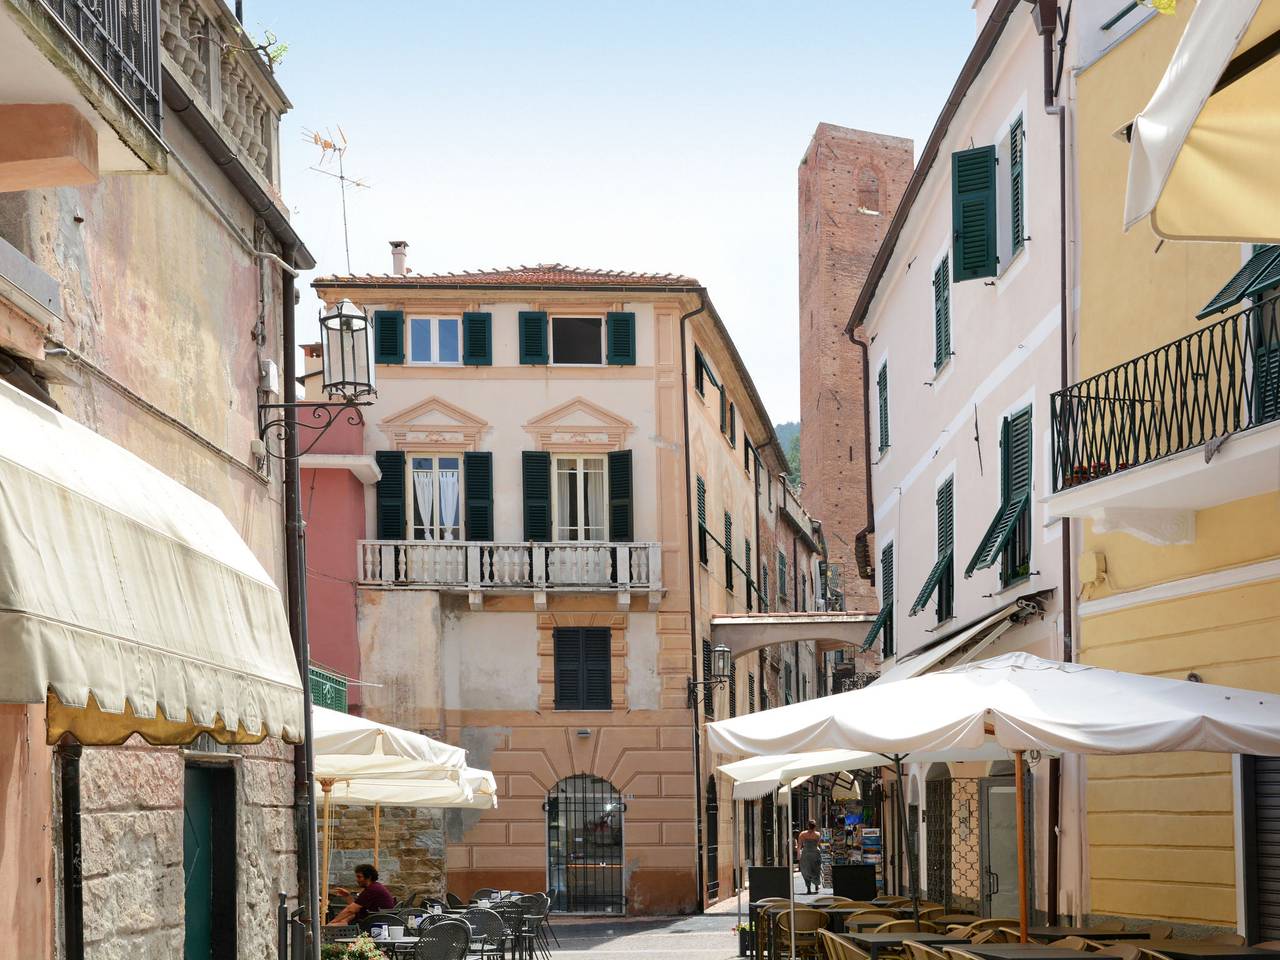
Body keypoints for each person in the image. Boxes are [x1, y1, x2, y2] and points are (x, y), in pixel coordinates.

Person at [328, 863, 396, 925]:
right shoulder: (374, 887)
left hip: (375, 923)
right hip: (374, 920)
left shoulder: (372, 890)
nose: (357, 880)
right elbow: (356, 907)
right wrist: (347, 896)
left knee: (338, 923)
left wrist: (332, 922)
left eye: (359, 877)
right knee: (344, 920)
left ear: (368, 877)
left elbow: (351, 909)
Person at [795, 820, 823, 895]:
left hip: (806, 853)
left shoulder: (802, 834)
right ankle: (817, 884)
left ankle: (808, 888)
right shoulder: (818, 834)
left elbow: (799, 846)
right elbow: (818, 844)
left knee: (806, 870)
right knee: (816, 869)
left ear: (808, 826)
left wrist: (798, 855)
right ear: (815, 826)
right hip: (815, 853)